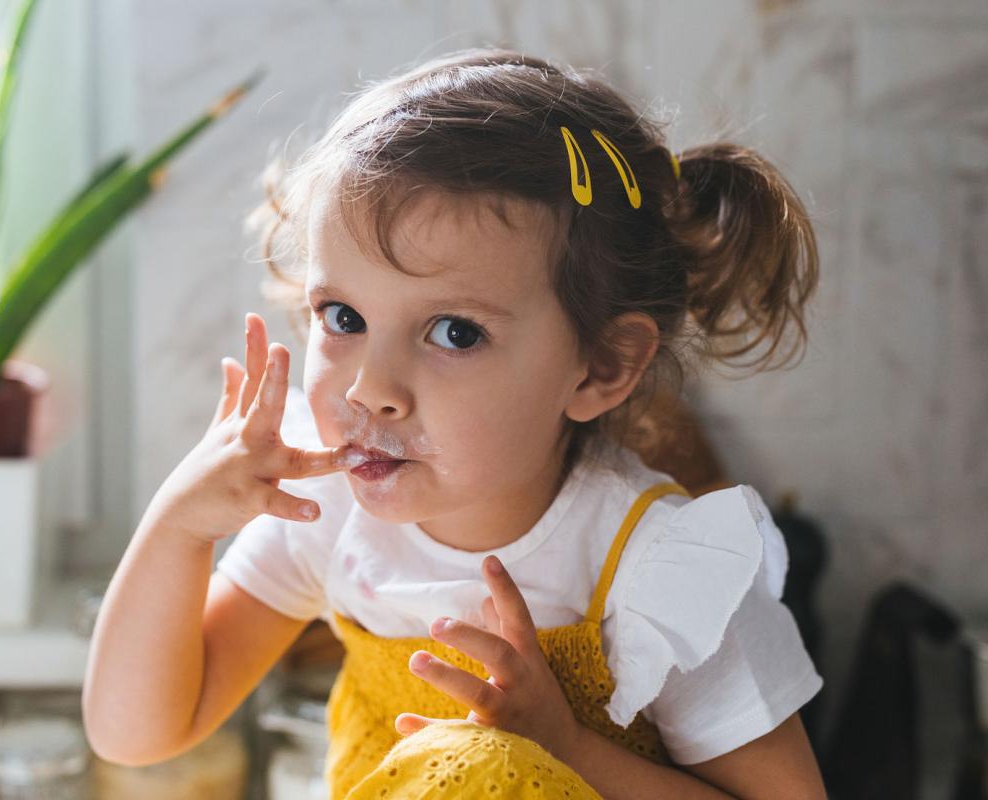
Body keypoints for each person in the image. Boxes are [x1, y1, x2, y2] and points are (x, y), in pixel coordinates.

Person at [83, 47, 829, 799]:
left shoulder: (658, 569)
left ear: (601, 365)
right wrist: (179, 526)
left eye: (455, 333)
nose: (373, 389)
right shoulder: (325, 512)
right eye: (343, 316)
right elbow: (137, 733)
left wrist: (568, 749)